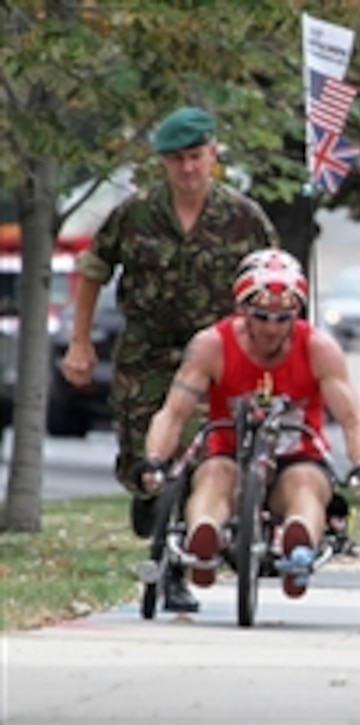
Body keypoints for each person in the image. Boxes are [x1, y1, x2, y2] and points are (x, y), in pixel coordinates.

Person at [61, 106, 279, 613]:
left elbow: (275, 284)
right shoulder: (136, 213)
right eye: (177, 159)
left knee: (197, 453)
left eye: (196, 157)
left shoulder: (243, 218)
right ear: (162, 163)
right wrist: (80, 340)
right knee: (147, 461)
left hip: (217, 356)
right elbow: (94, 268)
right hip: (148, 356)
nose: (188, 169)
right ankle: (149, 500)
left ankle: (174, 568)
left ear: (213, 155)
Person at [140, 250, 360, 596]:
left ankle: (299, 544)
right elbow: (174, 412)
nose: (271, 327)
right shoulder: (211, 346)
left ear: (296, 313)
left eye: (283, 318)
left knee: (305, 485)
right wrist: (155, 460)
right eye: (262, 316)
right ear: (243, 309)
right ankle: (204, 536)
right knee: (214, 477)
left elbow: (354, 420)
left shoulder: (318, 348)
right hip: (229, 451)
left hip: (297, 454)